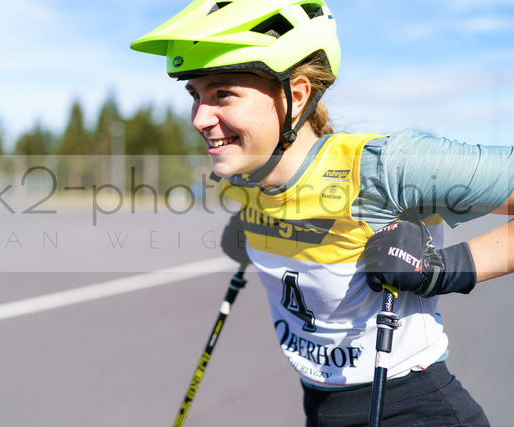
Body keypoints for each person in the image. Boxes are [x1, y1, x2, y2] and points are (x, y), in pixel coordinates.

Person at [131, 0, 514, 425]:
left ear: (295, 96)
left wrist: (446, 267)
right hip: (319, 407)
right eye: (195, 95)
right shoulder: (244, 175)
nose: (200, 118)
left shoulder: (383, 167)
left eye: (223, 94)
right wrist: (255, 228)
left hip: (413, 409)